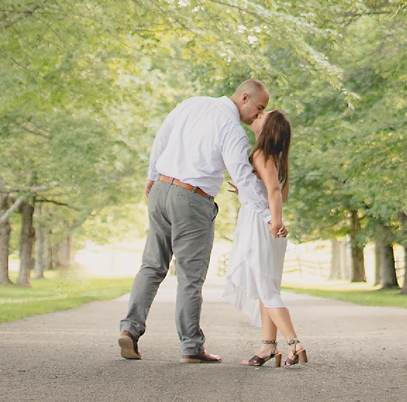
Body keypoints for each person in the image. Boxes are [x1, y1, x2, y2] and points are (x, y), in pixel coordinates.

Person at [116, 79, 284, 363]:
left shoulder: (192, 103)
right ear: (245, 98)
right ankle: (191, 346)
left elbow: (162, 137)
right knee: (190, 276)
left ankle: (130, 329)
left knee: (152, 265)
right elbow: (242, 175)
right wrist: (269, 216)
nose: (258, 115)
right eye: (259, 108)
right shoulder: (231, 128)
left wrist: (152, 175)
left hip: (161, 191)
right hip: (192, 199)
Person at [223, 108, 309, 365]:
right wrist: (249, 193)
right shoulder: (281, 160)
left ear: (268, 128)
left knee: (267, 289)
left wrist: (275, 222)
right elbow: (280, 195)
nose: (255, 117)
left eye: (261, 116)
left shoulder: (261, 154)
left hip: (261, 225)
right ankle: (267, 346)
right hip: (269, 224)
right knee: (266, 287)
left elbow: (273, 191)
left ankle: (294, 343)